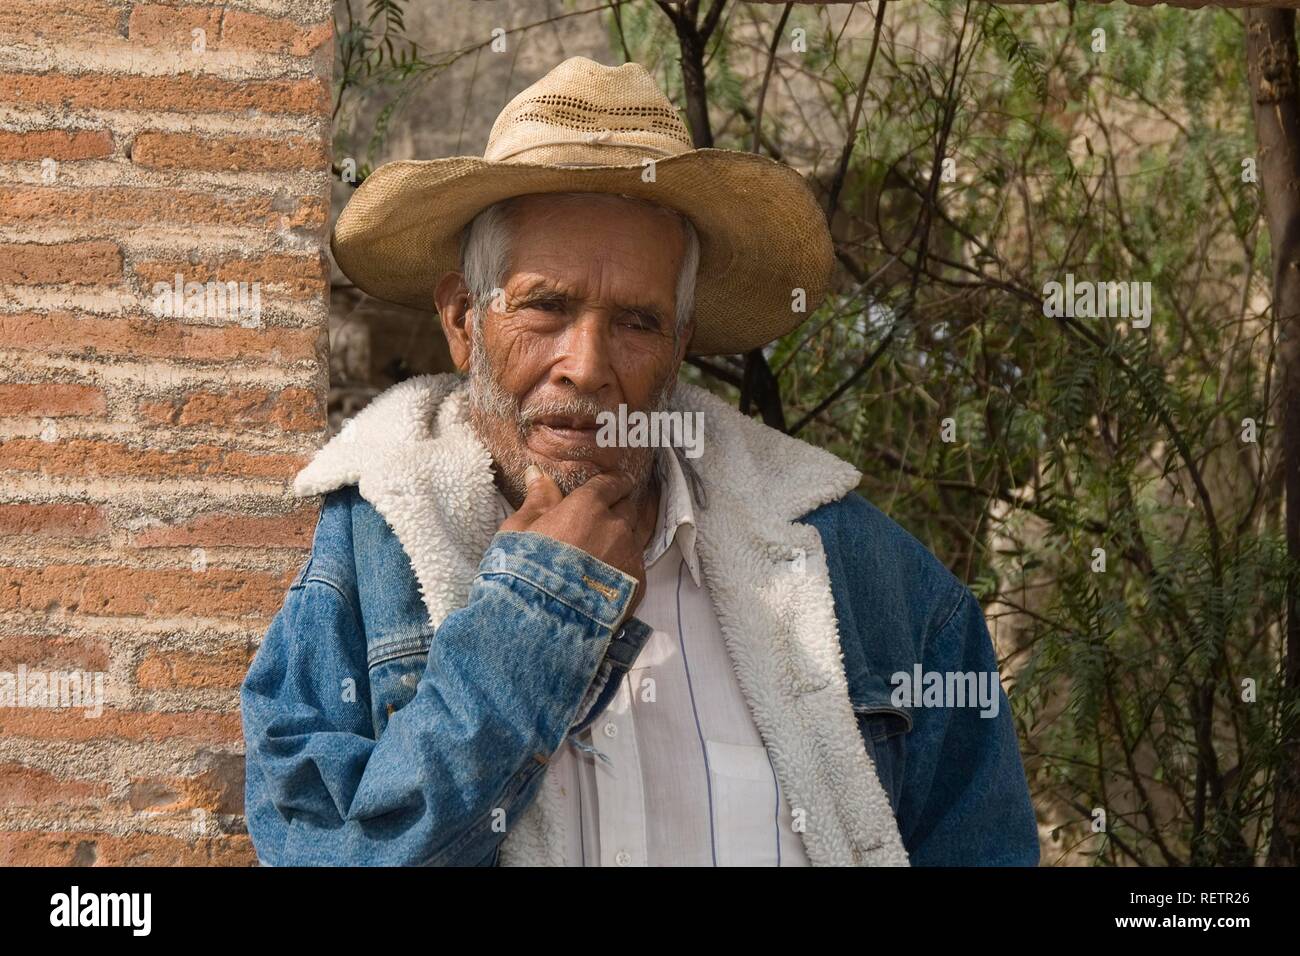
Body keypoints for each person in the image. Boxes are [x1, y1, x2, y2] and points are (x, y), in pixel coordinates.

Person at [240, 56, 1039, 867]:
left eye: (637, 322)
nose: (586, 365)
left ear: (680, 347)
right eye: (546, 306)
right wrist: (536, 617)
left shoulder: (880, 589)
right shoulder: (369, 558)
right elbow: (322, 852)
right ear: (461, 319)